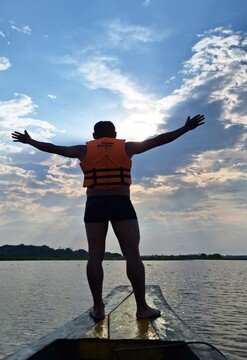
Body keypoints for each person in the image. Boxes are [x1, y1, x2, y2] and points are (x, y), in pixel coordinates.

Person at [12, 114, 205, 321]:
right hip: (121, 203)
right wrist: (185, 129)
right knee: (132, 254)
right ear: (115, 134)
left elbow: (52, 147)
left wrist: (30, 141)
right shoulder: (126, 147)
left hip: (94, 205)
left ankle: (98, 308)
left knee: (95, 255)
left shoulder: (83, 150)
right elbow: (159, 140)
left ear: (94, 136)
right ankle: (141, 308)